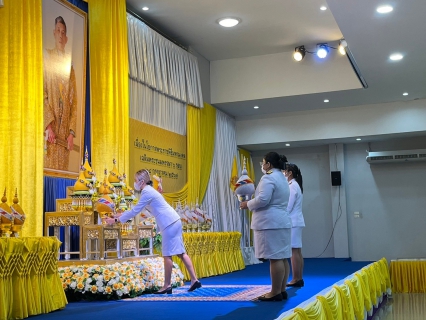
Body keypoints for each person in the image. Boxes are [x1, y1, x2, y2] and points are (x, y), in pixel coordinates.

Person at [105, 169, 201, 294]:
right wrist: (118, 215)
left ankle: (167, 285)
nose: (134, 183)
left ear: (141, 181)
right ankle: (194, 280)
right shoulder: (149, 191)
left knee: (167, 255)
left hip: (169, 223)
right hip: (174, 220)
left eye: (135, 180)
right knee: (181, 252)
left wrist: (116, 220)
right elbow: (135, 209)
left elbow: (135, 211)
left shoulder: (146, 192)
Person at [240, 152, 291, 301]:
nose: (262, 166)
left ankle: (275, 292)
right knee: (282, 257)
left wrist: (247, 204)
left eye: (263, 162)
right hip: (281, 221)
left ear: (268, 164)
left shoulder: (268, 177)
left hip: (270, 222)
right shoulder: (282, 177)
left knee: (275, 258)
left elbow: (263, 199)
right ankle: (281, 290)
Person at [44, 16, 77, 171]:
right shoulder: (47, 59)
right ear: (54, 33)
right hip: (50, 136)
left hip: (64, 139)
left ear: (66, 39)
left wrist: (71, 133)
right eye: (58, 31)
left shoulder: (70, 70)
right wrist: (48, 125)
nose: (60, 34)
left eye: (63, 32)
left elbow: (74, 104)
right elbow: (42, 95)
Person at [283, 163, 305, 288]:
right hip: (296, 221)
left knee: (294, 251)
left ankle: (296, 278)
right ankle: (298, 277)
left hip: (293, 221)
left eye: (284, 171)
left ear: (290, 173)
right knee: (297, 251)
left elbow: (288, 207)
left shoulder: (292, 186)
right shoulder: (296, 185)